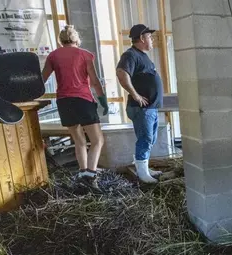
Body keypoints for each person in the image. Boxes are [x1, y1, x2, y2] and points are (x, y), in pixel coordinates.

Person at [42, 25, 109, 191]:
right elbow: (94, 81)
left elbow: (42, 79)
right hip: (83, 100)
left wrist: (27, 94)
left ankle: (82, 173)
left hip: (64, 102)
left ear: (61, 40)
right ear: (76, 39)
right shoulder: (85, 55)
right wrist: (102, 99)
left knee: (78, 140)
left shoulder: (53, 56)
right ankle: (90, 176)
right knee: (97, 140)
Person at [116, 24, 164, 184]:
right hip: (141, 108)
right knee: (145, 138)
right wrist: (135, 95)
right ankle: (142, 174)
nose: (151, 40)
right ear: (142, 38)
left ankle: (143, 167)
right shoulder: (131, 55)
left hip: (150, 108)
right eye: (149, 37)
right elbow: (122, 73)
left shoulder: (142, 55)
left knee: (150, 139)